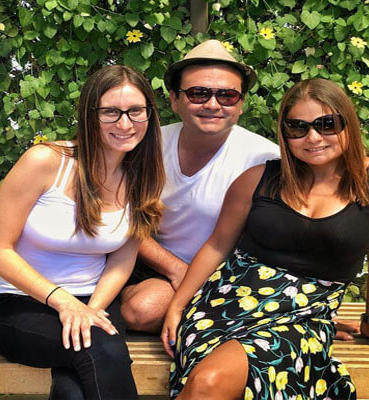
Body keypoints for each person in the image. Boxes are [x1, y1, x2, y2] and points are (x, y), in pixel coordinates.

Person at [161, 78, 369, 399]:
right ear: (285, 133)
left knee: (207, 383)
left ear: (348, 124)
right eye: (297, 128)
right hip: (224, 304)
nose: (312, 137)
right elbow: (217, 245)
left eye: (327, 124)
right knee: (207, 383)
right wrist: (178, 305)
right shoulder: (259, 179)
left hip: (305, 314)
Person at [0, 65, 164, 400]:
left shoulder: (143, 176)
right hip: (21, 303)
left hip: (97, 301)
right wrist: (64, 302)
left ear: (149, 114)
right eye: (111, 112)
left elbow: (122, 259)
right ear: (90, 115)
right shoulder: (45, 162)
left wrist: (91, 309)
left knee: (73, 391)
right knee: (103, 352)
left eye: (136, 111)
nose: (125, 124)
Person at [120, 40, 280, 333]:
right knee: (142, 310)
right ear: (174, 100)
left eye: (228, 95)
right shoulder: (146, 145)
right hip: (156, 268)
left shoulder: (266, 159)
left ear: (241, 104)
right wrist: (176, 269)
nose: (212, 105)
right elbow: (119, 220)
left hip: (229, 276)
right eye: (198, 93)